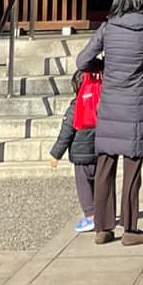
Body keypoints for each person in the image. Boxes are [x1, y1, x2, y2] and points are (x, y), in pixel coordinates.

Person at [76, 0, 143, 245]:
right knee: (132, 170)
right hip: (136, 104)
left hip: (111, 103)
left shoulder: (108, 28)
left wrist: (103, 65)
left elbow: (82, 61)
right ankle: (130, 229)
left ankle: (103, 228)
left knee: (105, 165)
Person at [48, 62, 100, 234]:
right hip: (99, 153)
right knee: (102, 183)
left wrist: (55, 154)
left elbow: (65, 134)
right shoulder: (99, 103)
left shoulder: (75, 107)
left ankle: (90, 215)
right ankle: (104, 211)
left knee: (84, 186)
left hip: (80, 156)